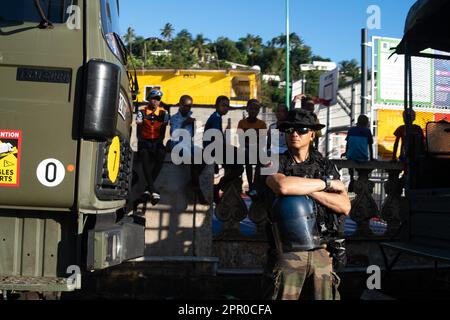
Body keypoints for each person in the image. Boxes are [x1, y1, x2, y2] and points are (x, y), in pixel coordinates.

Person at [263, 108, 351, 300]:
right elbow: (283, 186)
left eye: (301, 129)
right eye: (289, 130)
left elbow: (344, 206)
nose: (294, 133)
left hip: (323, 251)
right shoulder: (272, 161)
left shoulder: (326, 166)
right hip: (289, 252)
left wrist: (304, 187)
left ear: (312, 134)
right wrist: (325, 185)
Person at [204, 96, 244, 203]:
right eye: (223, 105)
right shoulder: (215, 118)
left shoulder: (217, 117)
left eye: (227, 106)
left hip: (215, 149)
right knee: (239, 168)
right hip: (214, 150)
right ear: (216, 106)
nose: (226, 108)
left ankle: (224, 187)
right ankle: (218, 186)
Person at [169, 95, 207, 204]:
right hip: (177, 145)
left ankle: (192, 183)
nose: (187, 108)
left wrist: (193, 124)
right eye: (185, 106)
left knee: (207, 154)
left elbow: (192, 134)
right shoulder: (175, 118)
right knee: (193, 159)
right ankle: (198, 190)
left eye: (190, 106)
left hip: (188, 145)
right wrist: (184, 123)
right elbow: (174, 135)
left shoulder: (190, 117)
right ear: (180, 105)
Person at [136, 89, 169, 205]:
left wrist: (157, 143)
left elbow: (163, 133)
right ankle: (153, 189)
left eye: (158, 99)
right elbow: (138, 132)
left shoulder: (164, 113)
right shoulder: (141, 112)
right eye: (154, 98)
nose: (156, 101)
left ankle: (147, 189)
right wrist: (143, 142)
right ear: (149, 99)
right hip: (144, 141)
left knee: (161, 154)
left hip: (157, 141)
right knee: (144, 155)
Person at [237, 99, 267, 197]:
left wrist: (255, 147)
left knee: (262, 159)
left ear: (258, 111)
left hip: (257, 149)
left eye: (256, 109)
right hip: (246, 148)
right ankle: (250, 185)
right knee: (247, 156)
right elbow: (241, 140)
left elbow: (262, 141)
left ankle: (255, 185)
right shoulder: (242, 123)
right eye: (251, 108)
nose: (253, 111)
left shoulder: (262, 124)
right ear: (247, 109)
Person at [342, 115, 374, 190]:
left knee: (350, 160)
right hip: (362, 157)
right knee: (362, 171)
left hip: (351, 156)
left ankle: (351, 178)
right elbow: (370, 145)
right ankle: (360, 180)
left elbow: (348, 143)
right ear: (366, 123)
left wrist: (346, 152)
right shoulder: (367, 131)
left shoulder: (351, 130)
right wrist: (371, 157)